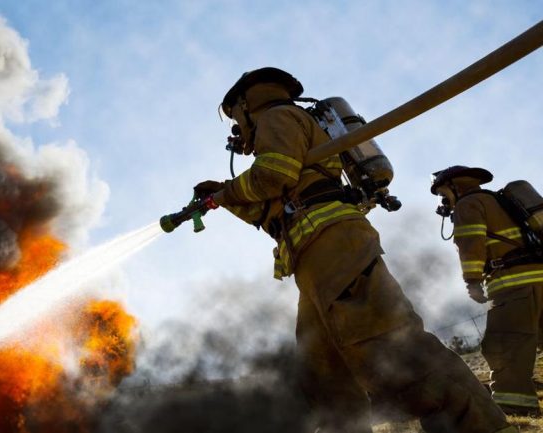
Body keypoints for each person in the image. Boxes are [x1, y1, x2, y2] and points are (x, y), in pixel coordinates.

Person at [195, 67, 516, 433]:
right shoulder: (285, 127)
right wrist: (222, 195)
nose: (235, 127)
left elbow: (272, 176)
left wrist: (226, 192)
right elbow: (271, 208)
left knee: (386, 341)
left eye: (233, 115)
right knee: (322, 367)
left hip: (335, 247)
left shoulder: (276, 116)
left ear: (244, 102)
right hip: (314, 258)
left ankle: (481, 426)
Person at [431, 165, 543, 416]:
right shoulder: (502, 202)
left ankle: (516, 408)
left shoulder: (468, 204)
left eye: (443, 194)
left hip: (514, 284)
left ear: (454, 186)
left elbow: (471, 243)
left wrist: (472, 281)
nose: (443, 201)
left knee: (504, 345)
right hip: (540, 275)